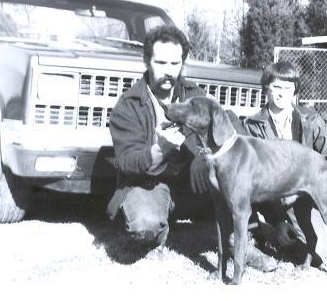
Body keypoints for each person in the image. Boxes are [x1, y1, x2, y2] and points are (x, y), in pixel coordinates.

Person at [106, 25, 277, 271]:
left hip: (190, 183)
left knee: (235, 178)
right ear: (146, 61)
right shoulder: (129, 105)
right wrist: (160, 150)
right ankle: (157, 237)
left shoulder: (193, 94)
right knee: (145, 223)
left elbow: (224, 124)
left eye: (175, 64)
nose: (169, 71)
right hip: (149, 183)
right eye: (161, 63)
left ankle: (238, 243)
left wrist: (204, 156)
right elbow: (127, 162)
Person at [231, 61, 327, 268]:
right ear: (265, 88)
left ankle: (288, 236)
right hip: (273, 201)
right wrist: (276, 220)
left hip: (304, 194)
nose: (282, 94)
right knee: (292, 243)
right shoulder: (250, 126)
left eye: (288, 88)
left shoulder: (310, 118)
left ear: (295, 91)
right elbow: (249, 182)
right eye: (276, 87)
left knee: (319, 251)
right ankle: (269, 231)